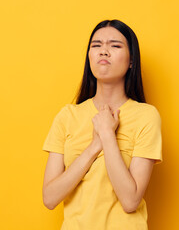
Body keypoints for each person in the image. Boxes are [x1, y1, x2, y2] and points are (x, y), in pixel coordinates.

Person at [42, 19, 163, 230]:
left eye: (115, 46)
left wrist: (107, 135)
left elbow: (130, 200)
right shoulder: (67, 116)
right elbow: (50, 198)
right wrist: (94, 147)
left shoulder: (146, 116)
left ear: (132, 61)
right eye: (96, 45)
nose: (103, 51)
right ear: (89, 57)